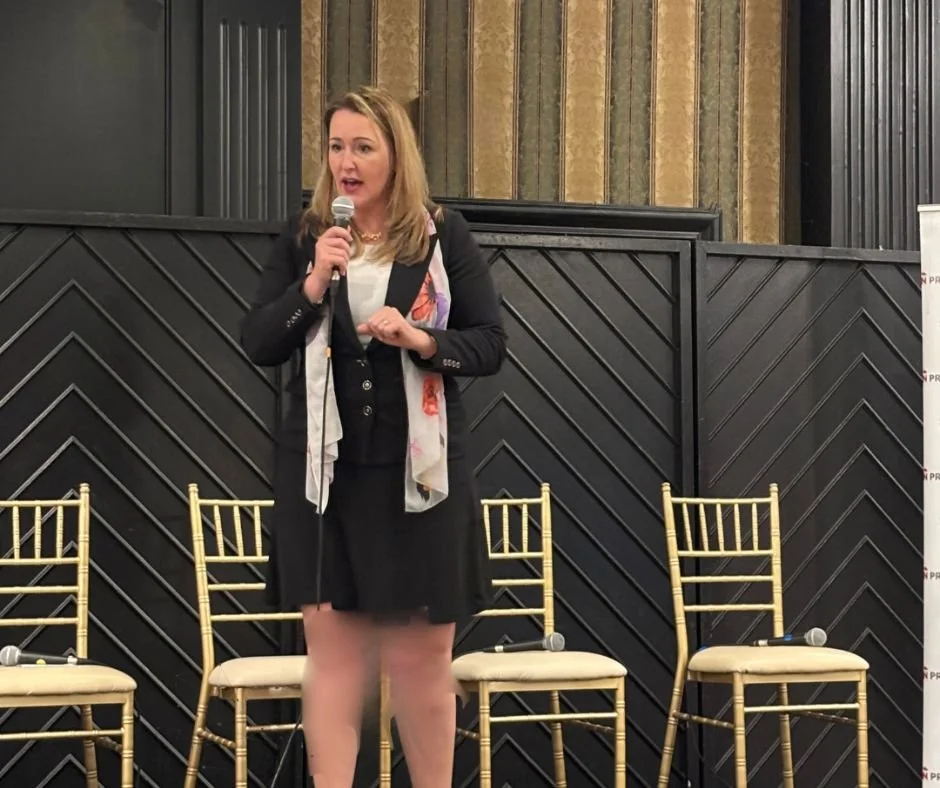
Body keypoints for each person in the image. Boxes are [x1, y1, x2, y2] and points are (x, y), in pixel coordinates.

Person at [239, 86, 507, 787]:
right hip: (326, 474)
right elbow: (259, 341)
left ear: (396, 154)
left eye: (364, 147)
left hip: (420, 476)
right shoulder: (308, 237)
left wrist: (418, 336)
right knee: (335, 660)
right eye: (336, 147)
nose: (347, 162)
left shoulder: (441, 234)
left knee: (422, 660)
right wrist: (312, 283)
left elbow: (488, 343)